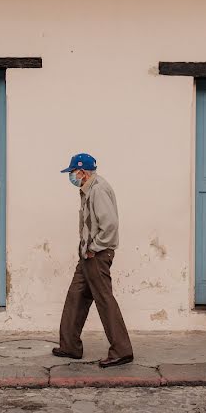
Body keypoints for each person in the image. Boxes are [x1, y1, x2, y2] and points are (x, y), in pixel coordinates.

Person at [53, 153, 134, 368]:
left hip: (97, 255)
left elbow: (110, 226)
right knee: (76, 296)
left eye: (72, 173)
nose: (71, 176)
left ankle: (122, 350)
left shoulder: (98, 189)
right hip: (87, 254)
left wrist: (93, 248)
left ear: (82, 172)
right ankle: (69, 345)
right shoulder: (88, 189)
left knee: (104, 300)